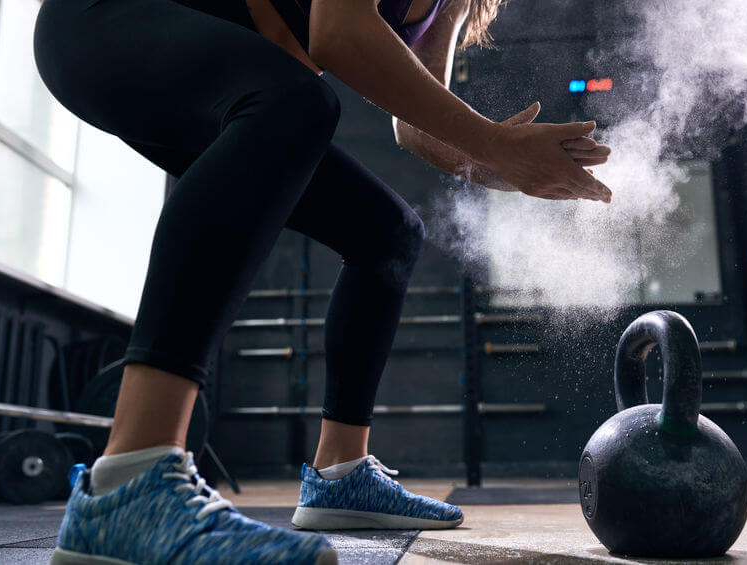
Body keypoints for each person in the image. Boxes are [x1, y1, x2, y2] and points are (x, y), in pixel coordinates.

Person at [32, 0, 612, 562]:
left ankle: (341, 477)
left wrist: (512, 169)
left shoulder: (456, 3)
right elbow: (337, 31)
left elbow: (416, 129)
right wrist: (497, 145)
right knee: (296, 102)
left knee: (387, 233)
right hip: (104, 20)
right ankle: (129, 483)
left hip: (226, 84)